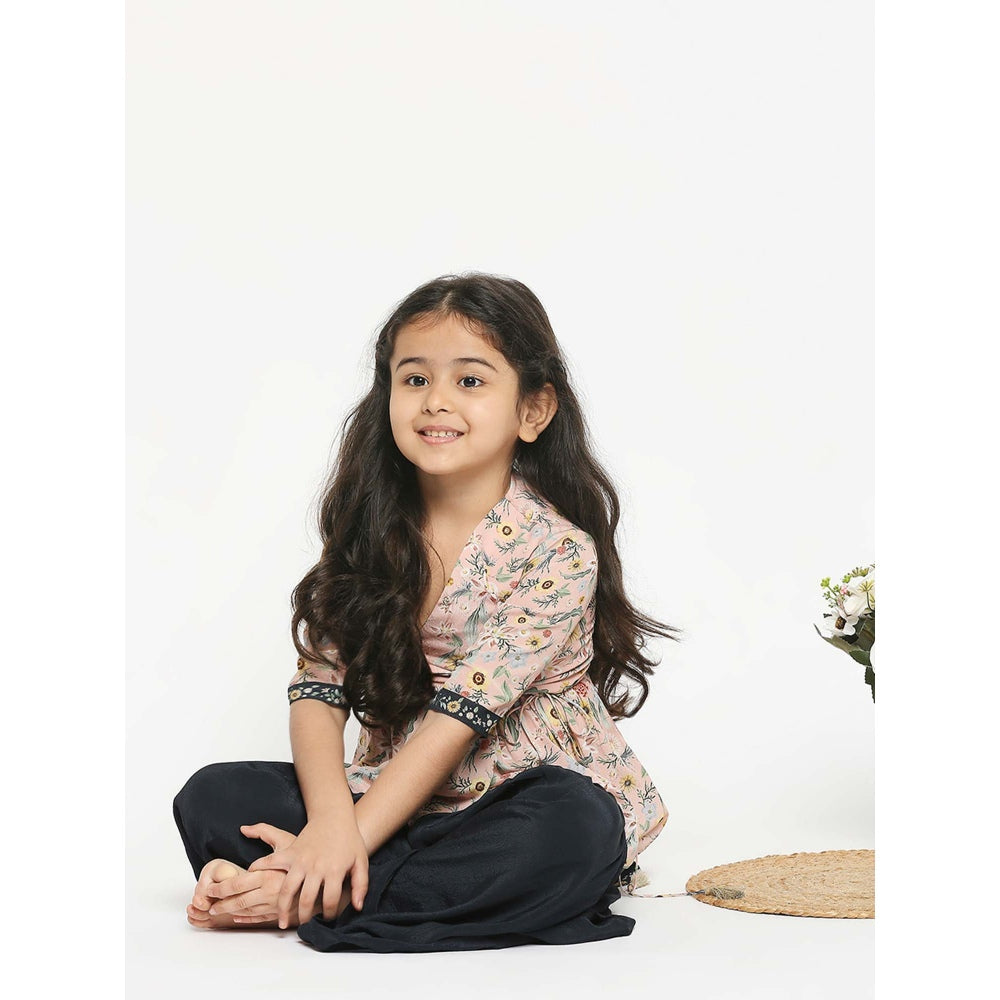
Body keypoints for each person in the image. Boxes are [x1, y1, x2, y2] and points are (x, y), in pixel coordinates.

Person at [173, 272, 681, 953]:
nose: (436, 400)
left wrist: (337, 846)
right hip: (386, 798)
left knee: (572, 827)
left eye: (469, 380)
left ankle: (301, 889)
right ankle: (345, 881)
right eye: (414, 379)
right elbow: (319, 689)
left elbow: (460, 718)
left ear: (533, 411)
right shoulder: (368, 533)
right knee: (211, 796)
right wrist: (331, 826)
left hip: (512, 799)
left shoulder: (559, 551)